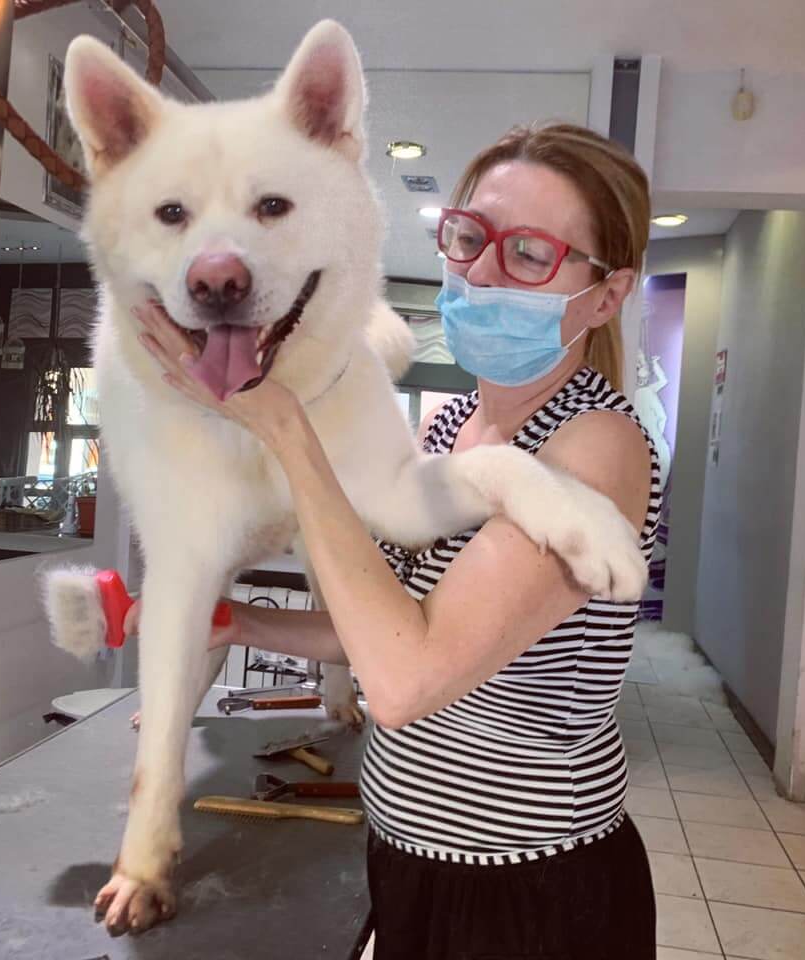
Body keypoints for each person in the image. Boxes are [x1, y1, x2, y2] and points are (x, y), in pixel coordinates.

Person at [133, 123, 661, 960]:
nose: (480, 272)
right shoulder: (452, 424)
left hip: (528, 882)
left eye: (530, 254)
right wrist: (240, 624)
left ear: (605, 295)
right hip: (410, 853)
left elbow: (405, 681)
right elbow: (384, 626)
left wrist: (284, 427)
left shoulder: (596, 445)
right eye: (470, 237)